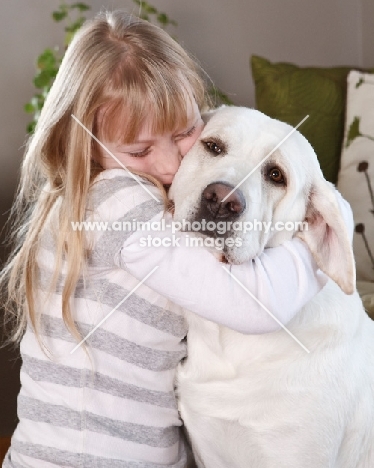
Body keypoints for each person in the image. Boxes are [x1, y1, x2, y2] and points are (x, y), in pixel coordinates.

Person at [1, 10, 354, 468]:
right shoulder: (115, 201)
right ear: (85, 144)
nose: (170, 165)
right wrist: (315, 243)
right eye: (141, 150)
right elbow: (253, 304)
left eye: (186, 133)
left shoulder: (109, 198)